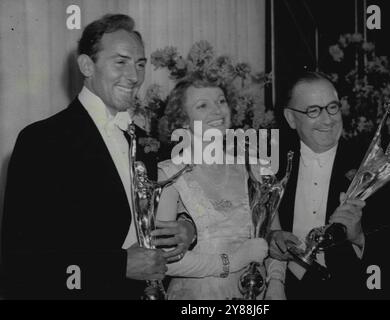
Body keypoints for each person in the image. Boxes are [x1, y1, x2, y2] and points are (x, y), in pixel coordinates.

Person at [1, 14, 195, 299]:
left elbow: (175, 203)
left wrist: (187, 228)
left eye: (140, 64)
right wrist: (117, 266)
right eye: (121, 62)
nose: (134, 76)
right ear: (86, 65)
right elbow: (20, 264)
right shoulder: (41, 140)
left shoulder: (148, 142)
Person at [269, 71, 390, 299]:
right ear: (290, 118)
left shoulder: (375, 166)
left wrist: (359, 237)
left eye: (333, 107)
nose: (328, 119)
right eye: (313, 110)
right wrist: (272, 240)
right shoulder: (272, 164)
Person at [155, 75, 285, 300]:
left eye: (221, 101)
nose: (217, 111)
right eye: (202, 105)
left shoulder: (254, 166)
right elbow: (164, 260)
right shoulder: (170, 172)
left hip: (257, 295)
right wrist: (233, 262)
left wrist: (276, 283)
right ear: (183, 120)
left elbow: (274, 238)